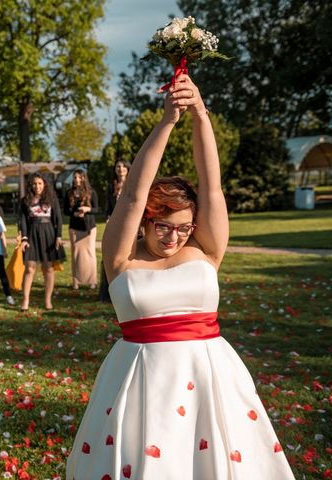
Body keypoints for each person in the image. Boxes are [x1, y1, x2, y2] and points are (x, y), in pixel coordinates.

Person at [66, 76, 295, 479]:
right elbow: (134, 195)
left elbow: (213, 188)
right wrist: (168, 121)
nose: (174, 237)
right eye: (163, 227)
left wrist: (200, 115)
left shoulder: (205, 249)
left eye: (184, 227)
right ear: (146, 221)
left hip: (210, 377)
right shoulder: (121, 258)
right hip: (141, 384)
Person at [19, 172, 64, 311]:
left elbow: (58, 219)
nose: (37, 186)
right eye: (34, 183)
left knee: (48, 268)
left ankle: (47, 300)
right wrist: (24, 238)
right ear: (30, 185)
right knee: (29, 268)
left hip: (49, 233)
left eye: (39, 183)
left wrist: (58, 236)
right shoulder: (25, 200)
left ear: (44, 184)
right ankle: (25, 300)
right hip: (32, 233)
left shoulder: (52, 198)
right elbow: (22, 221)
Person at [99, 159, 131, 302]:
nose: (120, 169)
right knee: (112, 255)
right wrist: (108, 217)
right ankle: (108, 292)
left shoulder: (133, 184)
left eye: (123, 166)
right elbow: (108, 207)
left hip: (131, 224)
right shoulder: (111, 186)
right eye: (118, 167)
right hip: (114, 224)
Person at [64, 169, 99, 290]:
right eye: (75, 177)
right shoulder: (69, 193)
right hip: (74, 227)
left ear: (84, 178)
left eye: (80, 177)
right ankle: (76, 281)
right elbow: (65, 210)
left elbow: (97, 209)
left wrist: (87, 209)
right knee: (75, 254)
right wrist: (74, 213)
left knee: (90, 254)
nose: (77, 180)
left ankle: (92, 281)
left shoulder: (91, 192)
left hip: (89, 227)